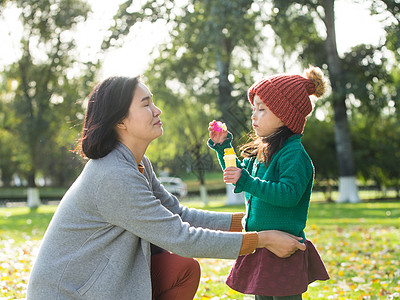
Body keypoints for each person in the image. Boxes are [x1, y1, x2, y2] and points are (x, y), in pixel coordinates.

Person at [26, 76, 307, 300]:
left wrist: (249, 221)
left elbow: (177, 213)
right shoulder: (112, 175)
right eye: (146, 104)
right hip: (71, 293)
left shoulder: (137, 163)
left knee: (181, 269)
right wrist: (262, 239)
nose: (157, 110)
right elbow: (180, 236)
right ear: (120, 121)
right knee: (180, 260)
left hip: (102, 281)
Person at [208, 66, 330, 300]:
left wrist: (248, 181)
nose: (254, 115)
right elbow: (239, 175)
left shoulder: (293, 154)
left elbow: (289, 194)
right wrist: (224, 147)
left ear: (285, 115)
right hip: (261, 244)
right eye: (254, 108)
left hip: (283, 248)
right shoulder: (262, 150)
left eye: (262, 109)